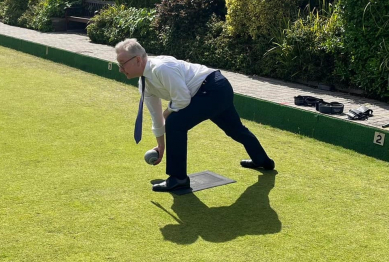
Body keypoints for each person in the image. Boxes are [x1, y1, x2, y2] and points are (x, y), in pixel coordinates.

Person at [115, 38, 275, 192]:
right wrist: (161, 147)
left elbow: (182, 100)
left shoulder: (161, 68)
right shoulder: (144, 83)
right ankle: (263, 161)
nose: (120, 69)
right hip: (210, 91)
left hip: (214, 88)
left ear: (137, 60)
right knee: (235, 129)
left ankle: (178, 179)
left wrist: (168, 110)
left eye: (122, 64)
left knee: (176, 123)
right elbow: (157, 118)